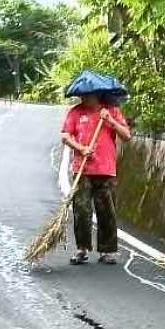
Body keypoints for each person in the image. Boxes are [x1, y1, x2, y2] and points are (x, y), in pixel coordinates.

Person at [61, 93, 131, 265]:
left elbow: (126, 136)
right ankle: (82, 249)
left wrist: (111, 121)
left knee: (107, 211)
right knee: (82, 210)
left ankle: (106, 251)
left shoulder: (111, 111)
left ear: (97, 94)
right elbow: (65, 136)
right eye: (81, 95)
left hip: (106, 170)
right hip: (82, 169)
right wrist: (81, 148)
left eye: (87, 95)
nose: (83, 98)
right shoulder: (75, 112)